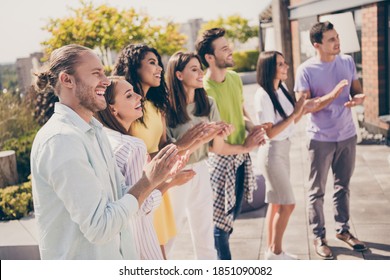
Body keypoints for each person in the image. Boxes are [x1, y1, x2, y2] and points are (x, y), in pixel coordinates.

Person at [30, 44, 185, 259]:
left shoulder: (95, 132)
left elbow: (122, 197)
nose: (105, 80)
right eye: (96, 73)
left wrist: (159, 178)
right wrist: (149, 181)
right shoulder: (61, 140)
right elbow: (100, 227)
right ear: (67, 80)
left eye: (103, 72)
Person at [112, 44, 208, 259]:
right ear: (135, 67)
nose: (159, 69)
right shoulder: (127, 108)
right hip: (139, 189)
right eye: (152, 63)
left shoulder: (157, 106)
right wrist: (181, 145)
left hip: (158, 187)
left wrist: (193, 143)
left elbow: (164, 146)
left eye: (159, 64)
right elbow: (134, 158)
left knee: (161, 252)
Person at [95, 76, 195, 259]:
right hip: (140, 242)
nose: (138, 97)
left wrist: (163, 174)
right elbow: (140, 205)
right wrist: (171, 181)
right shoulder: (132, 146)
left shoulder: (104, 139)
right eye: (129, 96)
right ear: (112, 108)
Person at [294, 21, 367, 259]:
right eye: (331, 39)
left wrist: (358, 98)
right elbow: (304, 106)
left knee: (342, 186)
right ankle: (319, 235)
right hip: (320, 139)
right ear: (317, 44)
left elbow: (356, 89)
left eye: (337, 37)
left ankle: (343, 230)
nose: (338, 42)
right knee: (317, 191)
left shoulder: (346, 62)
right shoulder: (306, 70)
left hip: (347, 134)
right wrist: (333, 95)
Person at [196, 28, 266, 259]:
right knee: (220, 228)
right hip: (218, 163)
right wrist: (247, 146)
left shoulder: (234, 78)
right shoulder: (203, 91)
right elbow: (215, 146)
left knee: (231, 218)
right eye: (224, 48)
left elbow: (241, 112)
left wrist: (254, 128)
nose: (230, 51)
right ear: (209, 57)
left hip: (240, 158)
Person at [166, 51, 237, 259]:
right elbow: (169, 150)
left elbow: (216, 146)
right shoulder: (167, 109)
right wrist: (200, 139)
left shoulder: (209, 103)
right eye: (194, 69)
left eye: (200, 68)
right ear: (179, 75)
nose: (200, 74)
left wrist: (223, 133)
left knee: (204, 231)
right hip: (176, 175)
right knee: (171, 233)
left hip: (202, 170)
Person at [255, 51, 317, 260]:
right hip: (272, 153)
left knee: (276, 203)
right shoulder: (263, 95)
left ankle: (271, 251)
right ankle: (276, 252)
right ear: (270, 68)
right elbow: (270, 132)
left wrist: (301, 110)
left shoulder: (280, 89)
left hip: (283, 150)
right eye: (280, 64)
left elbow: (291, 122)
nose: (286, 67)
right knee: (288, 203)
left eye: (285, 63)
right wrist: (295, 112)